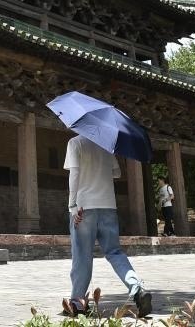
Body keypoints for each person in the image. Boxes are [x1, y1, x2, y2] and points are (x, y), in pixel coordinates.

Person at [62, 134, 152, 318]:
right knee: (115, 252)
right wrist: (100, 169)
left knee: (82, 255)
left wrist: (72, 205)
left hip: (84, 207)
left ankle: (77, 303)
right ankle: (137, 289)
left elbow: (74, 174)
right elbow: (117, 173)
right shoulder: (106, 145)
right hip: (108, 206)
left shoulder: (75, 143)